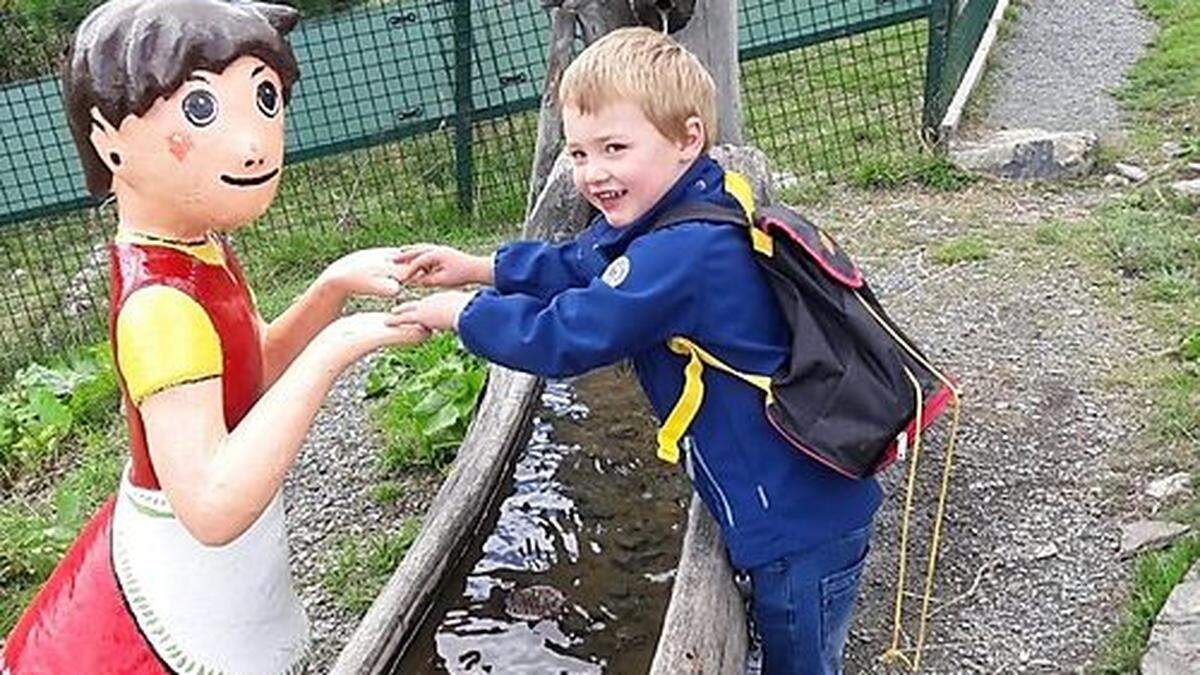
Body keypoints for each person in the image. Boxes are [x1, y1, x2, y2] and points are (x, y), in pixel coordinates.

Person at [393, 26, 882, 674]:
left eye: (615, 148)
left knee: (800, 659)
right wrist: (481, 268)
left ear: (686, 139)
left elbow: (570, 333)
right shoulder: (689, 200)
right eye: (578, 152)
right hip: (802, 498)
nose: (593, 173)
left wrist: (464, 314)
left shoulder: (683, 252)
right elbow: (581, 260)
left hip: (795, 521)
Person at [1, 1, 426, 672]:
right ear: (110, 138)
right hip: (181, 590)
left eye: (264, 97)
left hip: (211, 568)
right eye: (200, 109)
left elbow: (249, 368)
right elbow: (210, 504)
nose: (255, 139)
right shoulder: (160, 310)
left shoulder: (196, 249)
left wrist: (329, 287)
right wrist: (335, 347)